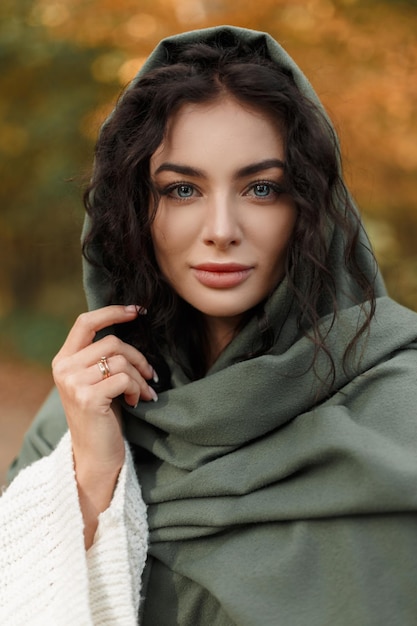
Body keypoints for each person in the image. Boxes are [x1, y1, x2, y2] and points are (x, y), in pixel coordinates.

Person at [1, 25, 417, 626]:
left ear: (310, 206)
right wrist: (92, 479)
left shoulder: (400, 405)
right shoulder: (80, 409)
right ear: (135, 210)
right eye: (183, 189)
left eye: (261, 188)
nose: (221, 228)